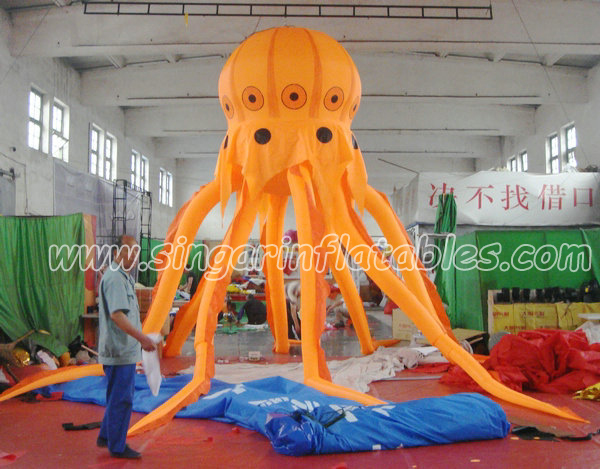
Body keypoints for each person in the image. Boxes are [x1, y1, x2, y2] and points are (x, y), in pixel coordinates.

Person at [96, 235, 156, 460]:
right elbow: (117, 315)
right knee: (122, 399)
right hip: (119, 350)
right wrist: (142, 339)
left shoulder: (124, 277)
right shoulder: (115, 279)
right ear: (116, 253)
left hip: (123, 348)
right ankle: (117, 446)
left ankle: (106, 435)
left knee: (116, 395)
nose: (133, 257)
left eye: (135, 252)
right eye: (128, 251)